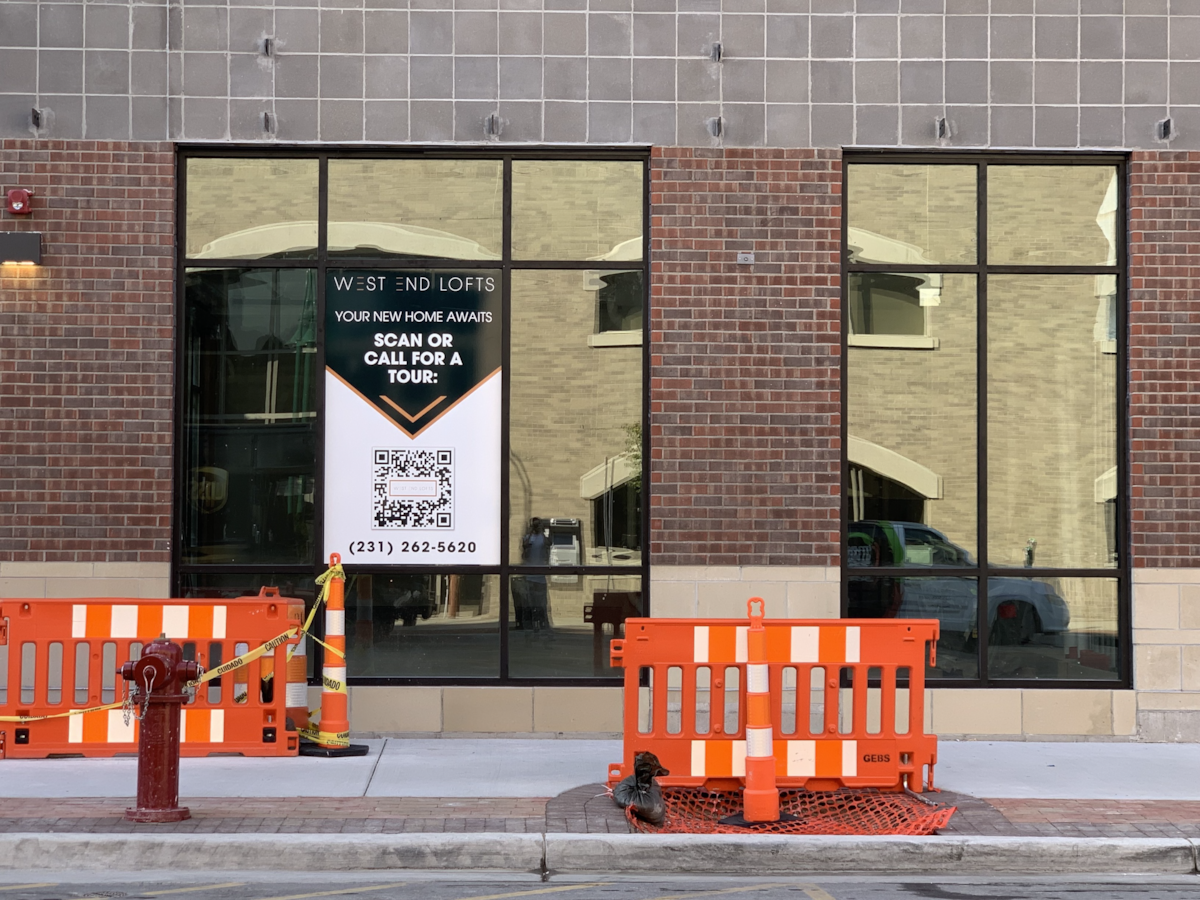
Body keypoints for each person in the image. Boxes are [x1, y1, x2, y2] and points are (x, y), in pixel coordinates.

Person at [519, 517, 550, 631]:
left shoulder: (528, 538)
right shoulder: (541, 539)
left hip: (531, 576)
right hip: (538, 576)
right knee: (540, 603)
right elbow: (547, 553)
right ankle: (541, 624)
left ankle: (533, 624)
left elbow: (524, 556)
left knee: (531, 603)